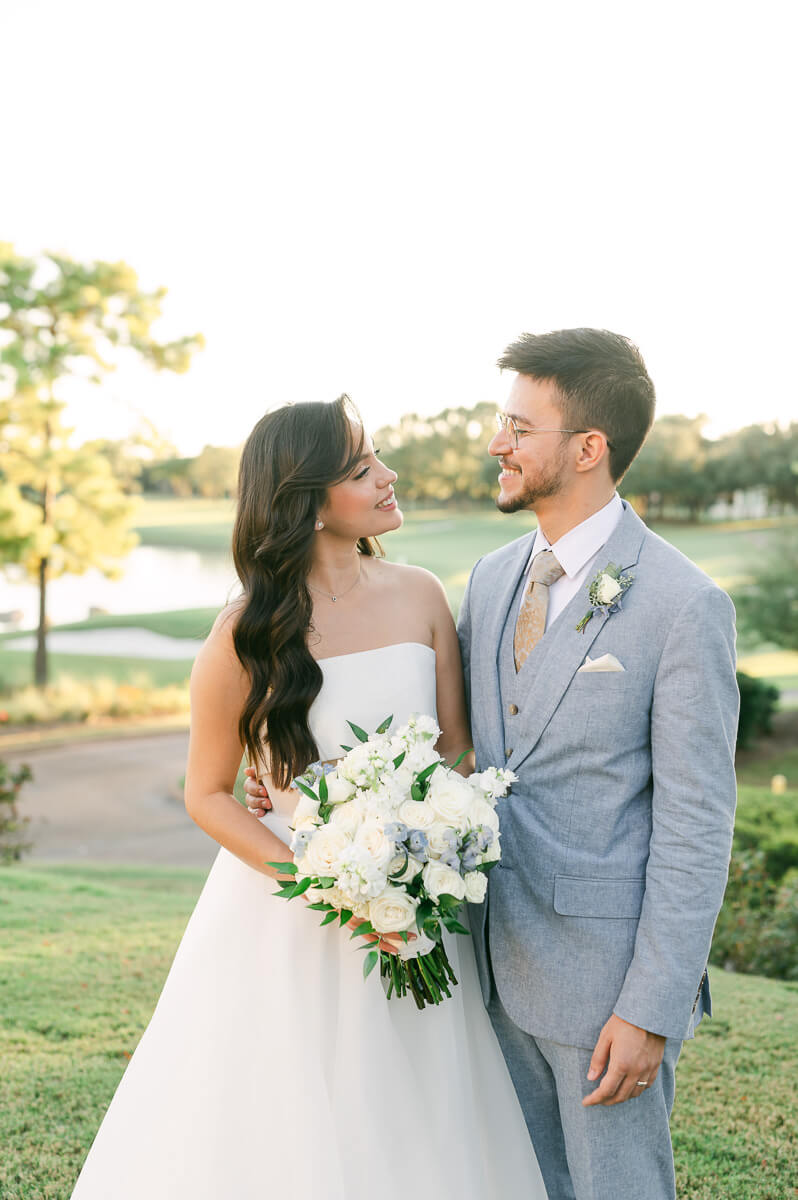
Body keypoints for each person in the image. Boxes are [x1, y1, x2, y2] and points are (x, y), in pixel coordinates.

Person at [70, 395, 546, 1199]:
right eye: (364, 468)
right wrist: (325, 883)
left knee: (426, 1118)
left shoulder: (421, 593)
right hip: (294, 911)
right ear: (306, 499)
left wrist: (439, 849)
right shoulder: (244, 634)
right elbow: (209, 795)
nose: (390, 476)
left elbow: (456, 751)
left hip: (423, 910)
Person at [457, 328, 739, 1200]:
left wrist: (650, 1008)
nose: (496, 443)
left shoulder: (684, 604)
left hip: (604, 990)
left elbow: (697, 825)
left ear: (588, 448)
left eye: (517, 425)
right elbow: (445, 742)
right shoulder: (492, 576)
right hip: (486, 970)